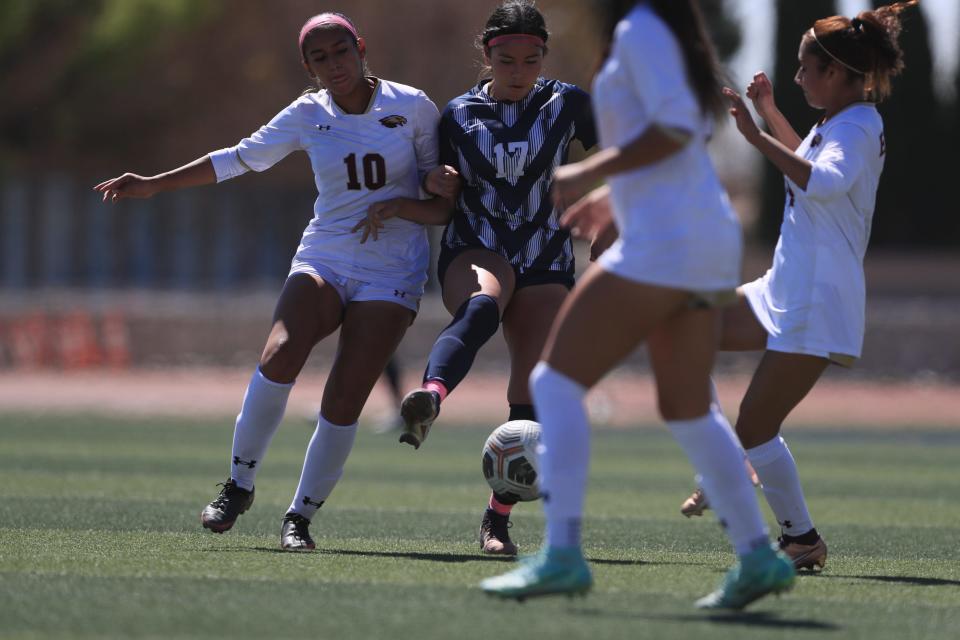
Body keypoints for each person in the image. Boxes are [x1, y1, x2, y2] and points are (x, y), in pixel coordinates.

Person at [94, 12, 459, 551]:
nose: (334, 65)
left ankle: (300, 517)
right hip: (327, 255)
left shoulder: (413, 107)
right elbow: (239, 159)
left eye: (341, 52)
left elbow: (442, 206)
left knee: (345, 396)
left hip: (391, 269)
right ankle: (238, 484)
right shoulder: (307, 113)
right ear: (307, 67)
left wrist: (418, 194)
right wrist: (153, 184)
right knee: (280, 352)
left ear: (361, 48)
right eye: (320, 58)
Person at [481, 0, 795, 609]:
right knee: (684, 405)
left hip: (668, 239)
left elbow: (675, 128)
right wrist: (615, 199)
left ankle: (563, 556)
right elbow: (684, 137)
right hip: (699, 233)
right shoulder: (663, 30)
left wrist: (589, 174)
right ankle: (758, 556)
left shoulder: (639, 28)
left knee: (554, 381)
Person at [677, 0, 918, 572]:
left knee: (757, 424)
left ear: (835, 74)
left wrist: (755, 138)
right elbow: (807, 160)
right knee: (683, 325)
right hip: (784, 285)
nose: (797, 77)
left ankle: (801, 539)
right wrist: (768, 114)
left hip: (816, 299)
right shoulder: (837, 123)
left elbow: (824, 182)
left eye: (805, 69)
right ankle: (727, 465)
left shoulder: (860, 125)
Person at [393, 0, 596, 557]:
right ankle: (430, 397)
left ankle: (496, 521)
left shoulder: (569, 103)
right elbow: (429, 183)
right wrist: (435, 181)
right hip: (476, 244)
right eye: (506, 59)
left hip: (546, 254)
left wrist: (607, 211)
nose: (518, 70)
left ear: (543, 57)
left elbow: (622, 161)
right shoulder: (456, 115)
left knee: (531, 392)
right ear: (487, 54)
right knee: (482, 305)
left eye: (531, 59)